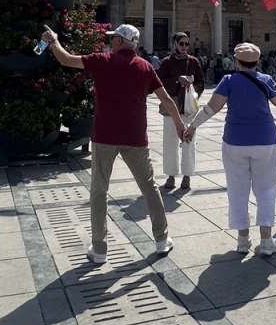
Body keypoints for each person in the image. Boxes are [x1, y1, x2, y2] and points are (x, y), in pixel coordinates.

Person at [42, 23, 183, 263]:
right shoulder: (145, 66)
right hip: (135, 137)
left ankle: (99, 249)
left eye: (113, 38)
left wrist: (52, 40)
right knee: (149, 187)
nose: (110, 42)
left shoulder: (103, 60)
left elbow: (66, 59)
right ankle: (161, 239)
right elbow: (167, 99)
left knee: (99, 190)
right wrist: (181, 127)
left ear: (119, 41)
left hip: (105, 135)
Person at [185, 43, 276, 256]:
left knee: (237, 189)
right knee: (266, 188)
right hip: (265, 140)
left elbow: (211, 108)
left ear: (237, 61)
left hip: (235, 141)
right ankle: (267, 240)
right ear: (257, 61)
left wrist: (193, 126)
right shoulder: (266, 80)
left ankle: (242, 239)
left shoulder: (228, 81)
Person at [157, 32, 205, 190]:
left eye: (186, 44)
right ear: (175, 44)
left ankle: (187, 175)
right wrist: (177, 80)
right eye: (181, 43)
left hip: (189, 108)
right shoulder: (166, 62)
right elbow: (159, 82)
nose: (184, 47)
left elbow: (201, 82)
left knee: (189, 141)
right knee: (170, 141)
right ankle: (171, 175)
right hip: (172, 107)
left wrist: (191, 86)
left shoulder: (193, 61)